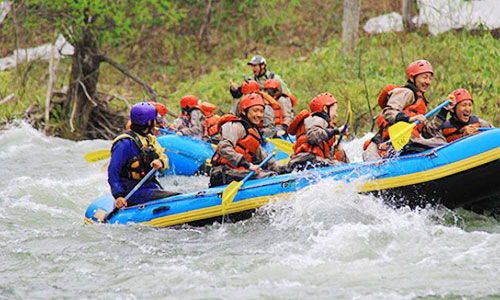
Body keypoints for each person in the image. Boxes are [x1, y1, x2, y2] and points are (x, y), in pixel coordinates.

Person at [362, 59, 448, 161]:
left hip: (408, 142)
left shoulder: (420, 102)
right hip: (385, 144)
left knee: (441, 142)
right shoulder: (406, 92)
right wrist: (410, 119)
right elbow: (389, 112)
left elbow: (428, 133)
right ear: (412, 77)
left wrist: (444, 111)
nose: (428, 82)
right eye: (424, 77)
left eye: (430, 78)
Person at [108, 102, 179, 208]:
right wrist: (118, 195)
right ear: (149, 122)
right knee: (176, 197)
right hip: (132, 192)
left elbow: (164, 158)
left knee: (179, 194)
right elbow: (113, 172)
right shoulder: (124, 143)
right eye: (154, 120)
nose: (155, 122)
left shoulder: (149, 139)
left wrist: (160, 162)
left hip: (149, 187)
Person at [209, 93, 286, 187]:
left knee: (274, 173)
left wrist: (283, 170)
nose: (259, 115)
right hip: (222, 173)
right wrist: (247, 165)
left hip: (239, 172)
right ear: (244, 111)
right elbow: (224, 148)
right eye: (255, 111)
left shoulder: (253, 133)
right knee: (269, 176)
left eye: (261, 111)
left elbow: (264, 157)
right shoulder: (234, 126)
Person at [287, 93, 349, 171]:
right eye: (335, 111)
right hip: (306, 161)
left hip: (307, 162)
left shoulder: (319, 122)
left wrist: (334, 149)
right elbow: (313, 135)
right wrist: (336, 131)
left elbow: (321, 149)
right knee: (339, 166)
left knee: (340, 154)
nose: (336, 115)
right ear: (325, 109)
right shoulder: (317, 119)